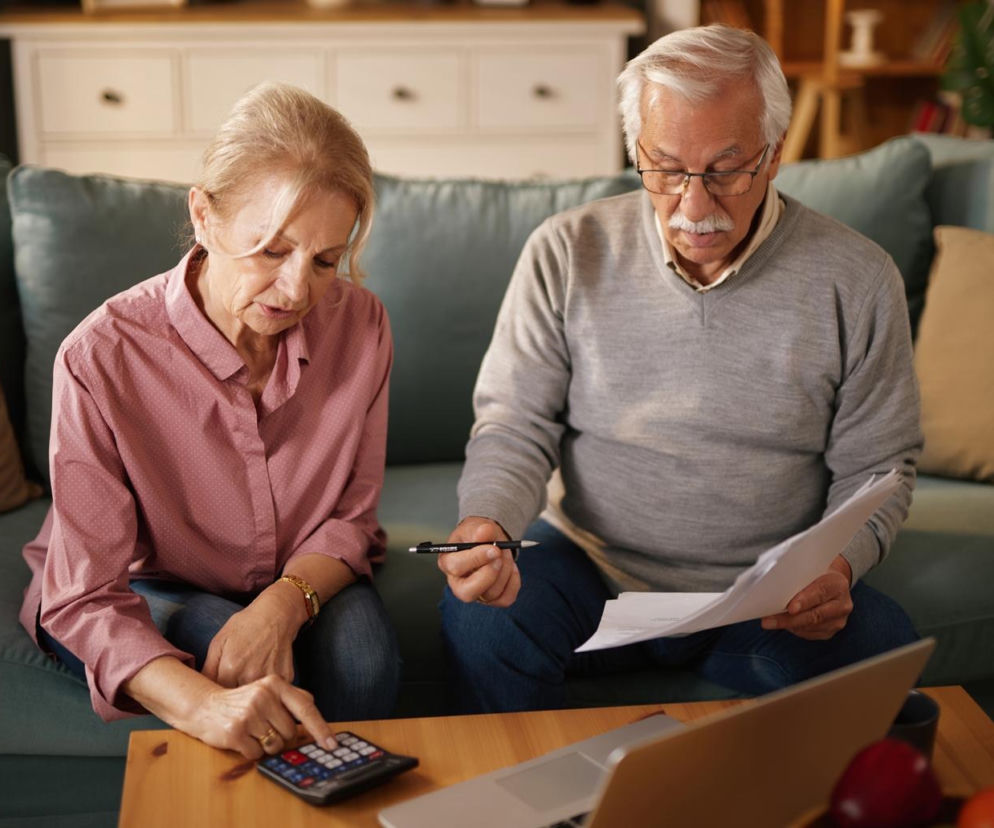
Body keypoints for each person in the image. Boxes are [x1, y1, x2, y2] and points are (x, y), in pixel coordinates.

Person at [438, 25, 922, 713]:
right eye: (665, 169)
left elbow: (880, 468)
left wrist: (839, 566)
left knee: (885, 655)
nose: (694, 209)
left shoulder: (859, 279)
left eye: (726, 170)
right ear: (636, 151)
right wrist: (488, 521)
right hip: (586, 567)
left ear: (776, 153)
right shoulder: (566, 251)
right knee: (484, 625)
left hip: (766, 588)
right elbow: (514, 422)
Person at [19, 82, 400, 757]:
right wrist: (205, 708)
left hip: (295, 568)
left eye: (324, 261)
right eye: (271, 250)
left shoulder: (362, 325)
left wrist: (282, 605)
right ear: (203, 215)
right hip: (147, 577)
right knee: (226, 649)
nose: (297, 291)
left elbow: (351, 516)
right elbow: (81, 598)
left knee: (365, 662)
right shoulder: (100, 356)